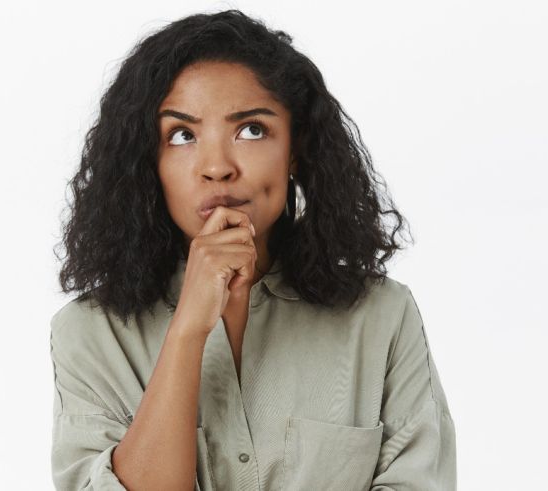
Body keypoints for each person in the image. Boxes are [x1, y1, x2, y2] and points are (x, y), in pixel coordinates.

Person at [49, 9, 456, 491]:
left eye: (251, 130)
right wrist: (187, 331)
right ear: (147, 162)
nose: (217, 167)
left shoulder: (382, 316)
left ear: (296, 149)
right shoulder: (90, 333)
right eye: (182, 135)